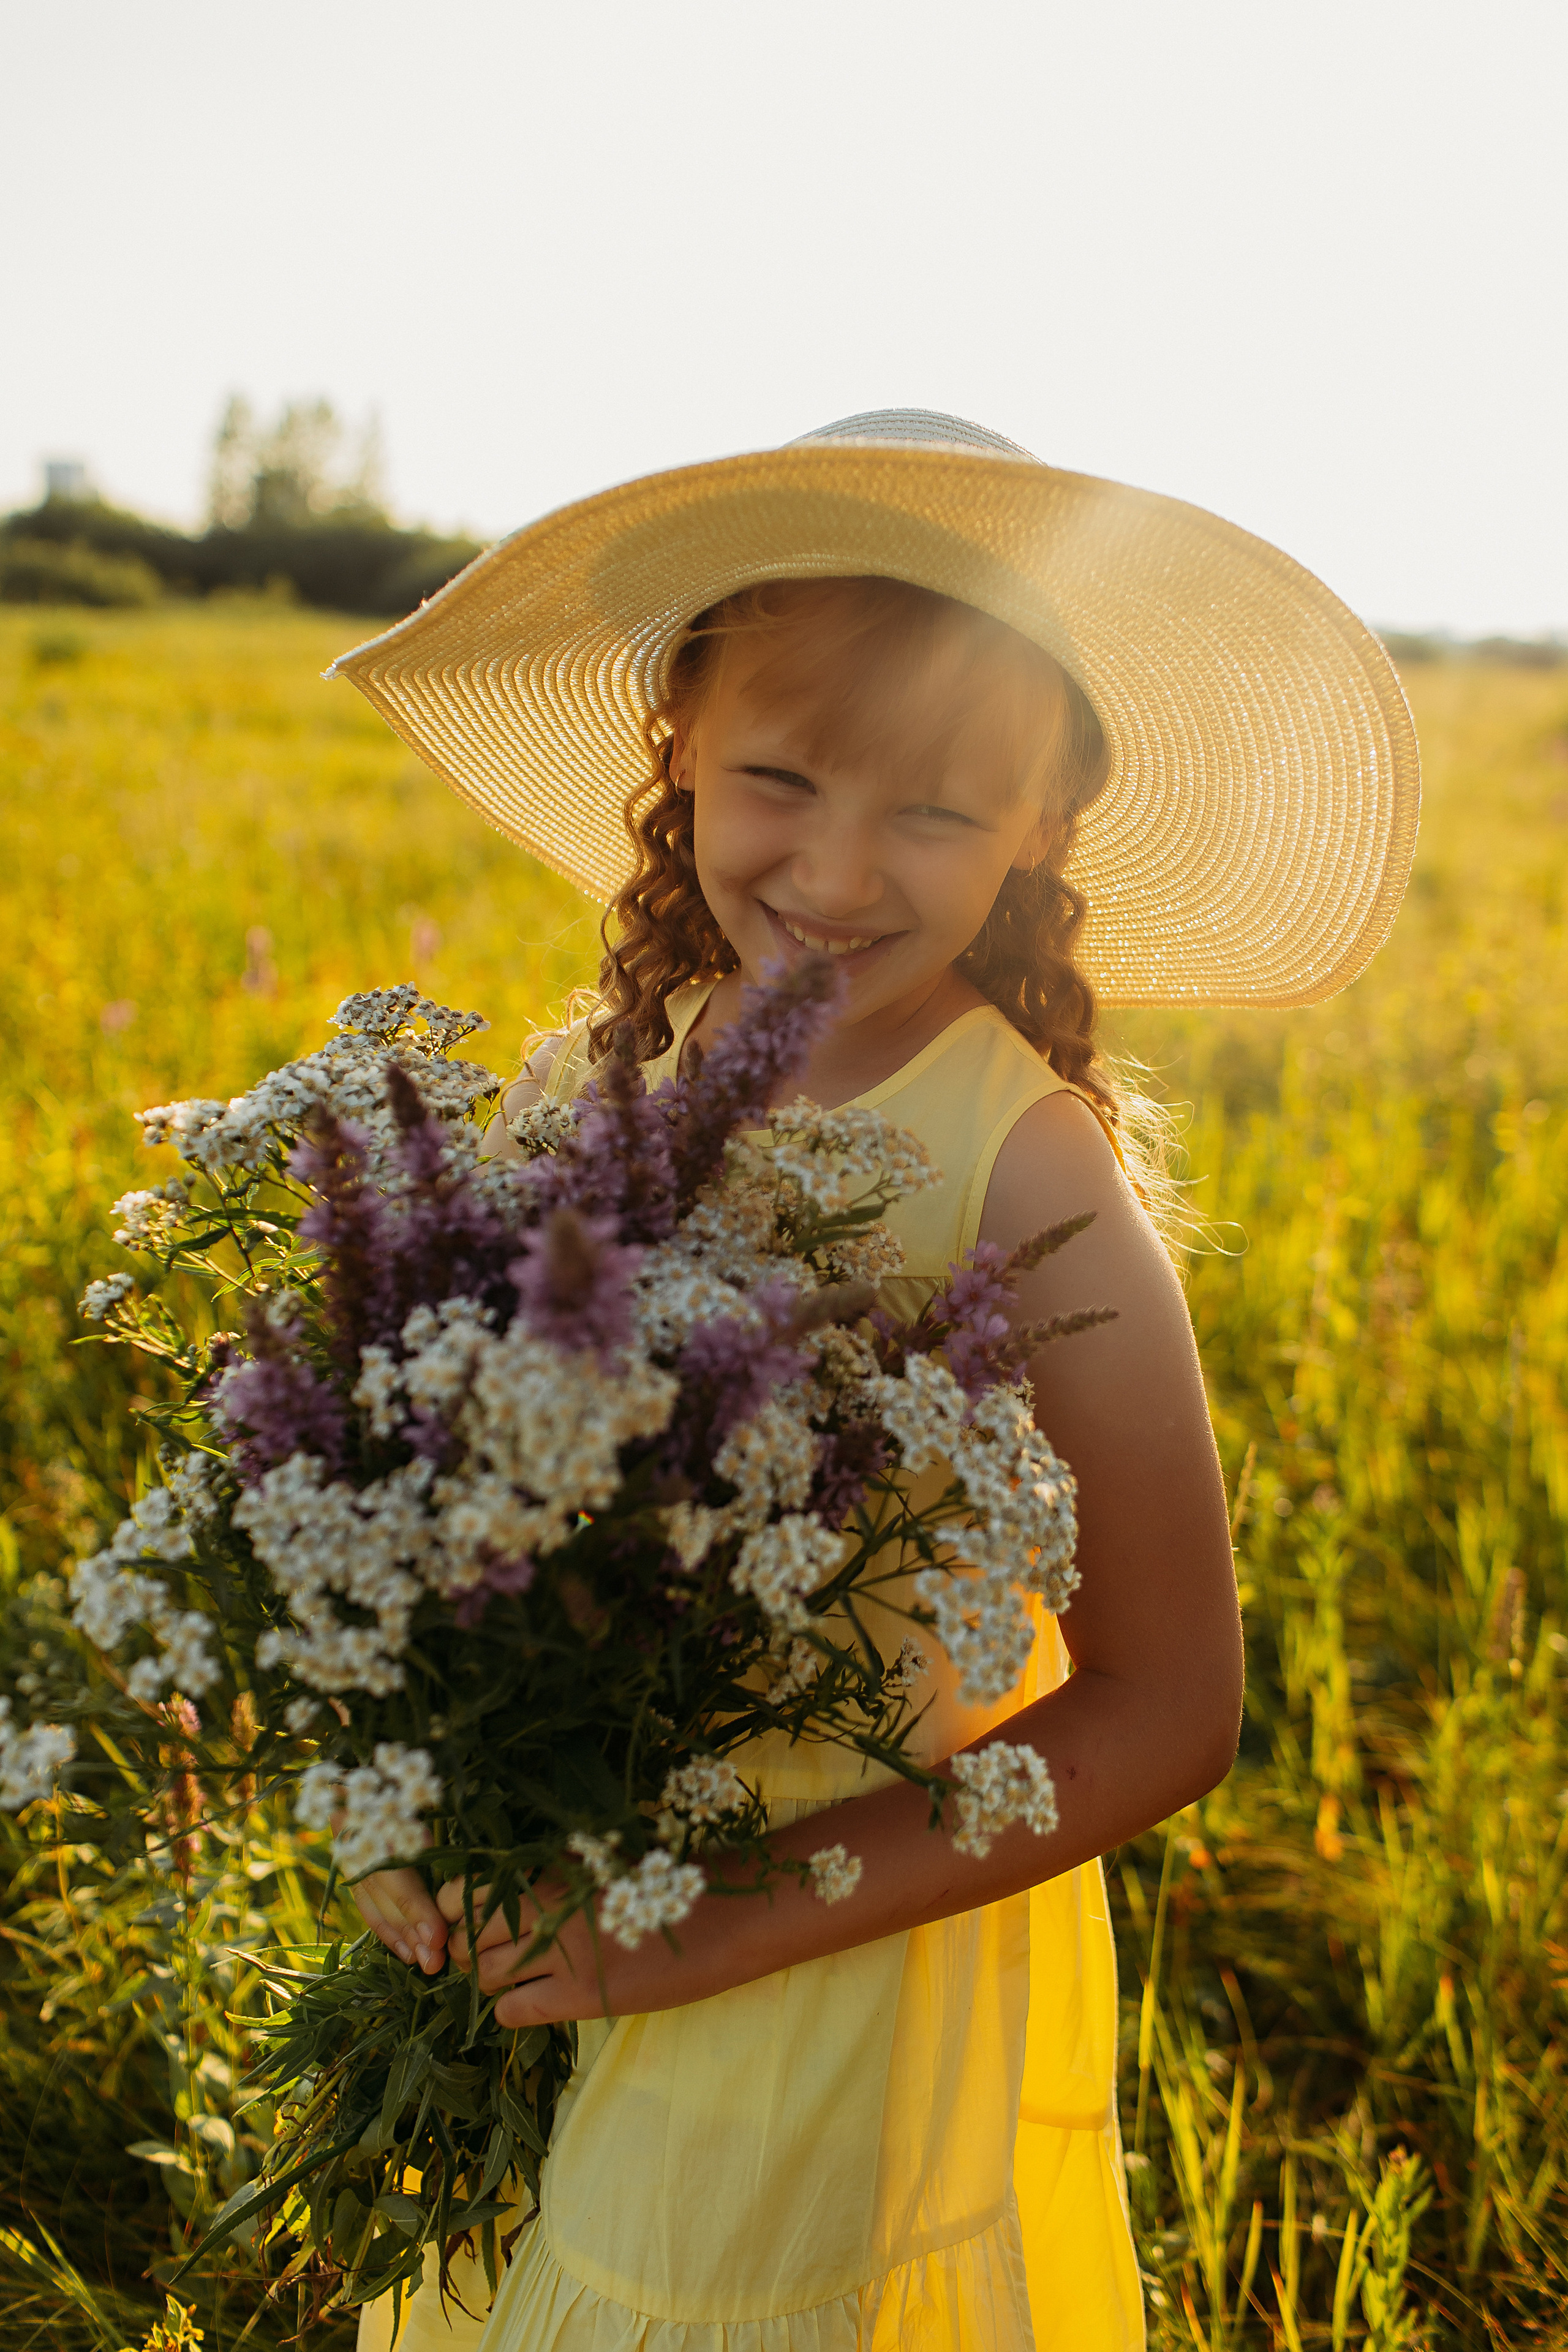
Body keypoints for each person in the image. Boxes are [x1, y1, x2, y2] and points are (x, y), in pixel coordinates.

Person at [337, 410, 1419, 2351]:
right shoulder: (597, 1079)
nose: (837, 869)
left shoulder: (1028, 1171)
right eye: (781, 777)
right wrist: (400, 1803)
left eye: (933, 810)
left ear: (1040, 827)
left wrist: (715, 1923)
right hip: (541, 1898)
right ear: (677, 743)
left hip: (824, 1953)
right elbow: (447, 1506)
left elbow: (1172, 1704)